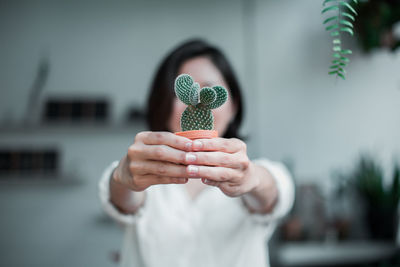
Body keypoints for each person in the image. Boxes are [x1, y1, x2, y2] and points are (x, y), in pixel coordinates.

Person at [98, 39, 294, 267]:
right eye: (181, 94)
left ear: (234, 105)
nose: (197, 100)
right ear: (162, 104)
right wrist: (123, 178)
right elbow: (121, 196)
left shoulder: (254, 173)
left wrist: (253, 178)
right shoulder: (142, 174)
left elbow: (272, 191)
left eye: (208, 88)